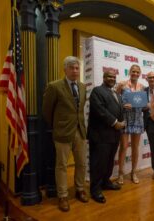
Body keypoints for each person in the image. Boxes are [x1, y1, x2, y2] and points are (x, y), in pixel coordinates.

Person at [42, 56, 88, 212]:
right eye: (72, 68)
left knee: (81, 162)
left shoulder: (82, 87)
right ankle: (62, 196)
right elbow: (47, 111)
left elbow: (80, 109)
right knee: (61, 165)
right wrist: (57, 126)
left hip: (80, 131)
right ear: (65, 69)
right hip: (62, 132)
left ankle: (80, 189)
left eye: (77, 68)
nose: (75, 71)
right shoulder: (54, 86)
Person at [88, 69, 125, 203]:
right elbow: (100, 111)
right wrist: (115, 123)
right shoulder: (97, 91)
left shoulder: (116, 93)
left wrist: (122, 122)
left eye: (113, 77)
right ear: (104, 77)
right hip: (100, 135)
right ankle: (95, 189)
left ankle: (106, 182)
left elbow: (120, 110)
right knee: (98, 163)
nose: (111, 79)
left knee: (109, 162)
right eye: (109, 76)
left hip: (114, 135)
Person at [116, 64, 144, 184]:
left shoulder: (142, 86)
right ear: (129, 72)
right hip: (125, 119)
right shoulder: (122, 84)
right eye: (133, 71)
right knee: (123, 147)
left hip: (137, 119)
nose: (135, 74)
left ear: (140, 74)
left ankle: (133, 172)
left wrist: (144, 105)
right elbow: (115, 100)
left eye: (137, 72)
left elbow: (142, 103)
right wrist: (122, 105)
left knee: (135, 148)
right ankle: (121, 173)